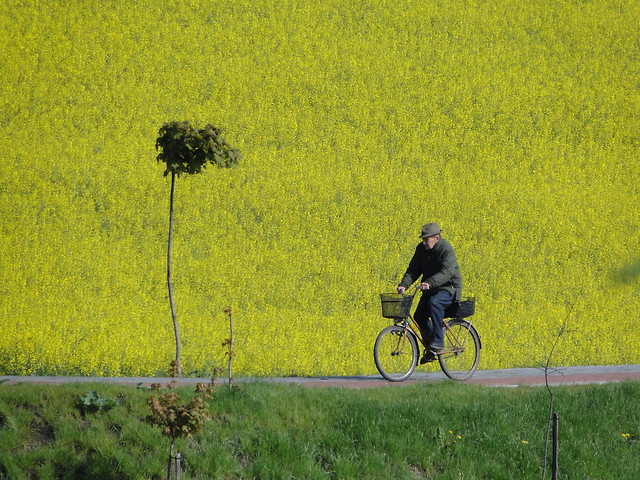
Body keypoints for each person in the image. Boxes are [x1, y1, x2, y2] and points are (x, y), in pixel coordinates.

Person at [397, 223, 462, 364]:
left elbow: (447, 272)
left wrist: (429, 283)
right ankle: (432, 347)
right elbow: (413, 269)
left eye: (427, 239)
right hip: (431, 289)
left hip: (449, 288)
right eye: (423, 239)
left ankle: (438, 341)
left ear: (436, 238)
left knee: (435, 303)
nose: (424, 242)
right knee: (419, 316)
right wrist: (404, 284)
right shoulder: (421, 249)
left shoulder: (446, 250)